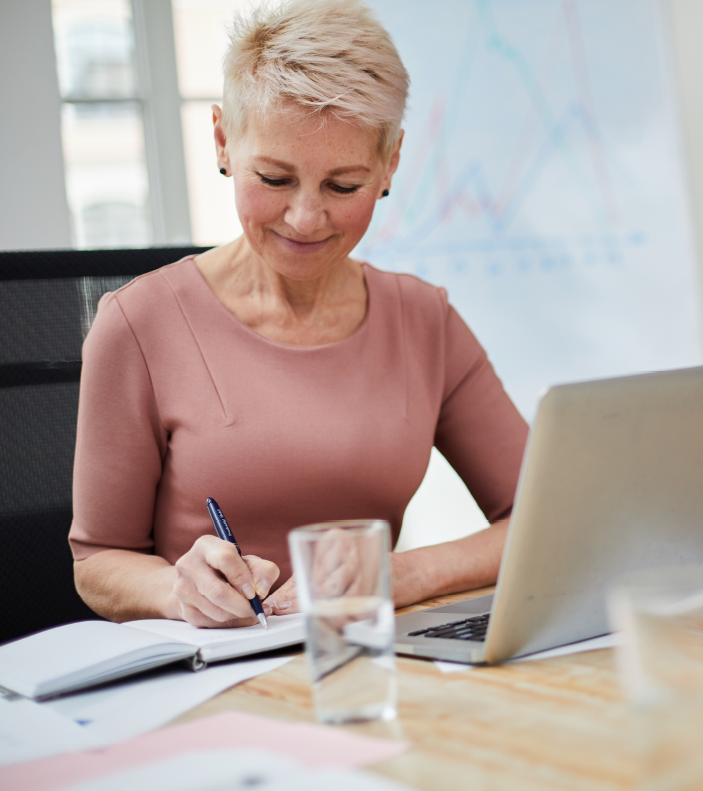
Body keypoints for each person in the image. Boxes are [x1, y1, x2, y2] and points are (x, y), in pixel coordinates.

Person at [68, 0, 528, 628]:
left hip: (368, 663)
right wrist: (178, 590)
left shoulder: (424, 320)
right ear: (224, 140)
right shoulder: (137, 323)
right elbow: (98, 561)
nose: (306, 219)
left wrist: (405, 574)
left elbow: (540, 513)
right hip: (211, 680)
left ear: (390, 162)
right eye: (275, 179)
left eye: (344, 186)